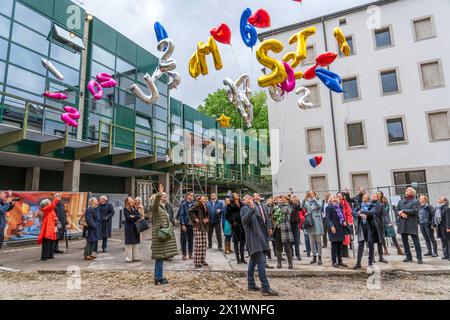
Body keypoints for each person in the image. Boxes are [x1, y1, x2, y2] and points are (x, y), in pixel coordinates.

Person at [241, 195, 278, 296]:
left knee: (253, 261)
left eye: (250, 198)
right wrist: (252, 209)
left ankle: (251, 284)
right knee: (261, 262)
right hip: (254, 239)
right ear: (244, 201)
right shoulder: (245, 208)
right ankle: (265, 287)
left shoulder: (255, 208)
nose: (249, 200)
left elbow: (263, 220)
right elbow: (244, 220)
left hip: (260, 238)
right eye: (247, 198)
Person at [151, 184, 178, 285]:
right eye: (163, 196)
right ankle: (158, 278)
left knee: (161, 257)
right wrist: (159, 193)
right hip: (159, 236)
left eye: (166, 196)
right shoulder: (155, 206)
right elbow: (154, 205)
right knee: (159, 256)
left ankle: (158, 277)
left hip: (163, 235)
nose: (165, 197)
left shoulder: (163, 207)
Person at [353, 194, 387, 269]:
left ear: (368, 199)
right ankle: (358, 263)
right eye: (363, 198)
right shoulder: (359, 205)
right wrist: (359, 215)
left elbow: (372, 213)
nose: (364, 199)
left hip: (370, 227)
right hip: (361, 227)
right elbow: (353, 212)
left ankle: (370, 263)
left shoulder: (372, 206)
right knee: (360, 245)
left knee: (371, 245)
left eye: (366, 198)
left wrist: (362, 212)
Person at [395, 187, 423, 264]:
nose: (407, 192)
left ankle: (419, 258)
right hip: (402, 223)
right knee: (405, 242)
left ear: (413, 193)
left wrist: (404, 211)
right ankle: (408, 257)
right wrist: (400, 213)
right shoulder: (401, 201)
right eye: (407, 190)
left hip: (411, 223)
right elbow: (396, 210)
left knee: (416, 241)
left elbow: (415, 211)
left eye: (409, 191)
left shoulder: (415, 201)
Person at [376, 191, 404, 256]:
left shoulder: (385, 201)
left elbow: (386, 210)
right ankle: (385, 250)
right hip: (379, 222)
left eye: (379, 194)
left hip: (387, 221)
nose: (378, 195)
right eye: (377, 194)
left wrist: (381, 207)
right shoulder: (376, 202)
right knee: (382, 237)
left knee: (393, 235)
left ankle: (399, 250)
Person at [326, 195, 348, 268]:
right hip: (333, 228)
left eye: (335, 199)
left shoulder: (340, 207)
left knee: (340, 245)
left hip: (340, 228)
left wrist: (344, 221)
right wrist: (331, 226)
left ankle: (340, 261)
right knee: (334, 246)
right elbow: (328, 219)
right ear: (330, 201)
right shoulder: (328, 208)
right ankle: (334, 261)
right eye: (333, 199)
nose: (335, 200)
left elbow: (342, 216)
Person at [302, 191, 324, 265]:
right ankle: (314, 257)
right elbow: (302, 207)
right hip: (310, 222)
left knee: (318, 241)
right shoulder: (307, 202)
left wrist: (314, 199)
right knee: (311, 242)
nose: (311, 195)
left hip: (317, 222)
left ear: (314, 194)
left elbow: (320, 206)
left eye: (312, 193)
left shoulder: (318, 200)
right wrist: (304, 199)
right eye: (310, 194)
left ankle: (320, 257)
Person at [273, 196, 294, 269]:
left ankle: (290, 263)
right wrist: (277, 204)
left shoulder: (289, 207)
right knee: (278, 247)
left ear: (287, 200)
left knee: (287, 247)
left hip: (285, 229)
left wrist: (279, 204)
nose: (281, 200)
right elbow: (274, 211)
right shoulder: (277, 206)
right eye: (281, 199)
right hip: (278, 229)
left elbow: (284, 211)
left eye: (283, 199)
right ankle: (279, 263)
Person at [253, 193, 274, 269]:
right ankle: (257, 263)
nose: (258, 196)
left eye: (258, 195)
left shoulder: (264, 205)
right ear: (253, 198)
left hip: (265, 228)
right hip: (258, 229)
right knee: (258, 246)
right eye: (256, 195)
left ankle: (264, 262)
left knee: (265, 245)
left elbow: (268, 218)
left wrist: (270, 228)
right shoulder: (253, 206)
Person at [37, 194, 60, 261]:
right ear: (46, 204)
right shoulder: (45, 209)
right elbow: (52, 205)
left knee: (52, 242)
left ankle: (50, 255)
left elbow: (54, 215)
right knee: (47, 242)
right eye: (49, 202)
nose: (50, 203)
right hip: (48, 228)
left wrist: (56, 219)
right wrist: (56, 198)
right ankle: (44, 256)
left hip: (52, 227)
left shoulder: (50, 210)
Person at [189, 195, 209, 268]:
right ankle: (197, 261)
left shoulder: (205, 205)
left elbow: (206, 215)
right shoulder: (197, 204)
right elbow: (190, 211)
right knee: (199, 244)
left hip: (203, 226)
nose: (205, 198)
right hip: (197, 226)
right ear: (199, 199)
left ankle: (202, 260)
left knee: (204, 244)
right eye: (203, 197)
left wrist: (207, 219)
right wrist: (195, 219)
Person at [226, 193, 246, 264]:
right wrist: (232, 222)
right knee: (236, 242)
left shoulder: (242, 204)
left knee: (243, 241)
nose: (237, 195)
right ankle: (238, 258)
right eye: (235, 195)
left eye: (237, 194)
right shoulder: (230, 205)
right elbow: (227, 216)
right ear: (233, 197)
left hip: (243, 224)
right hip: (236, 225)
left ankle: (243, 258)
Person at [123, 196, 142, 262]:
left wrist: (133, 216)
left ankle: (136, 257)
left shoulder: (134, 208)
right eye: (130, 198)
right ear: (127, 201)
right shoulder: (126, 209)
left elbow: (139, 215)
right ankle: (129, 257)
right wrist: (135, 216)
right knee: (129, 243)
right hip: (129, 227)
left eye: (132, 198)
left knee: (136, 242)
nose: (132, 199)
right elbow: (128, 218)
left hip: (135, 227)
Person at [337, 192, 354, 258]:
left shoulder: (345, 203)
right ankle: (339, 255)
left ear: (342, 197)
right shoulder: (335, 203)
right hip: (337, 224)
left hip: (345, 223)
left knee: (345, 239)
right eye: (337, 195)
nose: (339, 197)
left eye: (340, 196)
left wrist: (349, 221)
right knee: (339, 240)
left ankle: (345, 254)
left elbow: (349, 213)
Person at [179, 192, 195, 260]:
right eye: (190, 195)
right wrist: (182, 224)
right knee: (184, 239)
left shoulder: (195, 204)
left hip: (192, 225)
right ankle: (184, 254)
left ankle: (190, 254)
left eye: (192, 196)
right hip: (185, 224)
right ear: (187, 196)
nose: (192, 196)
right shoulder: (183, 204)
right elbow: (181, 215)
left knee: (191, 240)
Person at [289, 195, 302, 261]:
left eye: (295, 198)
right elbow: (292, 208)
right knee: (290, 240)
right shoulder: (290, 204)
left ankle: (298, 254)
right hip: (290, 223)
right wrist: (292, 201)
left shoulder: (297, 204)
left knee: (297, 239)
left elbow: (300, 209)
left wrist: (298, 202)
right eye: (293, 198)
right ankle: (291, 254)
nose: (295, 199)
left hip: (296, 223)